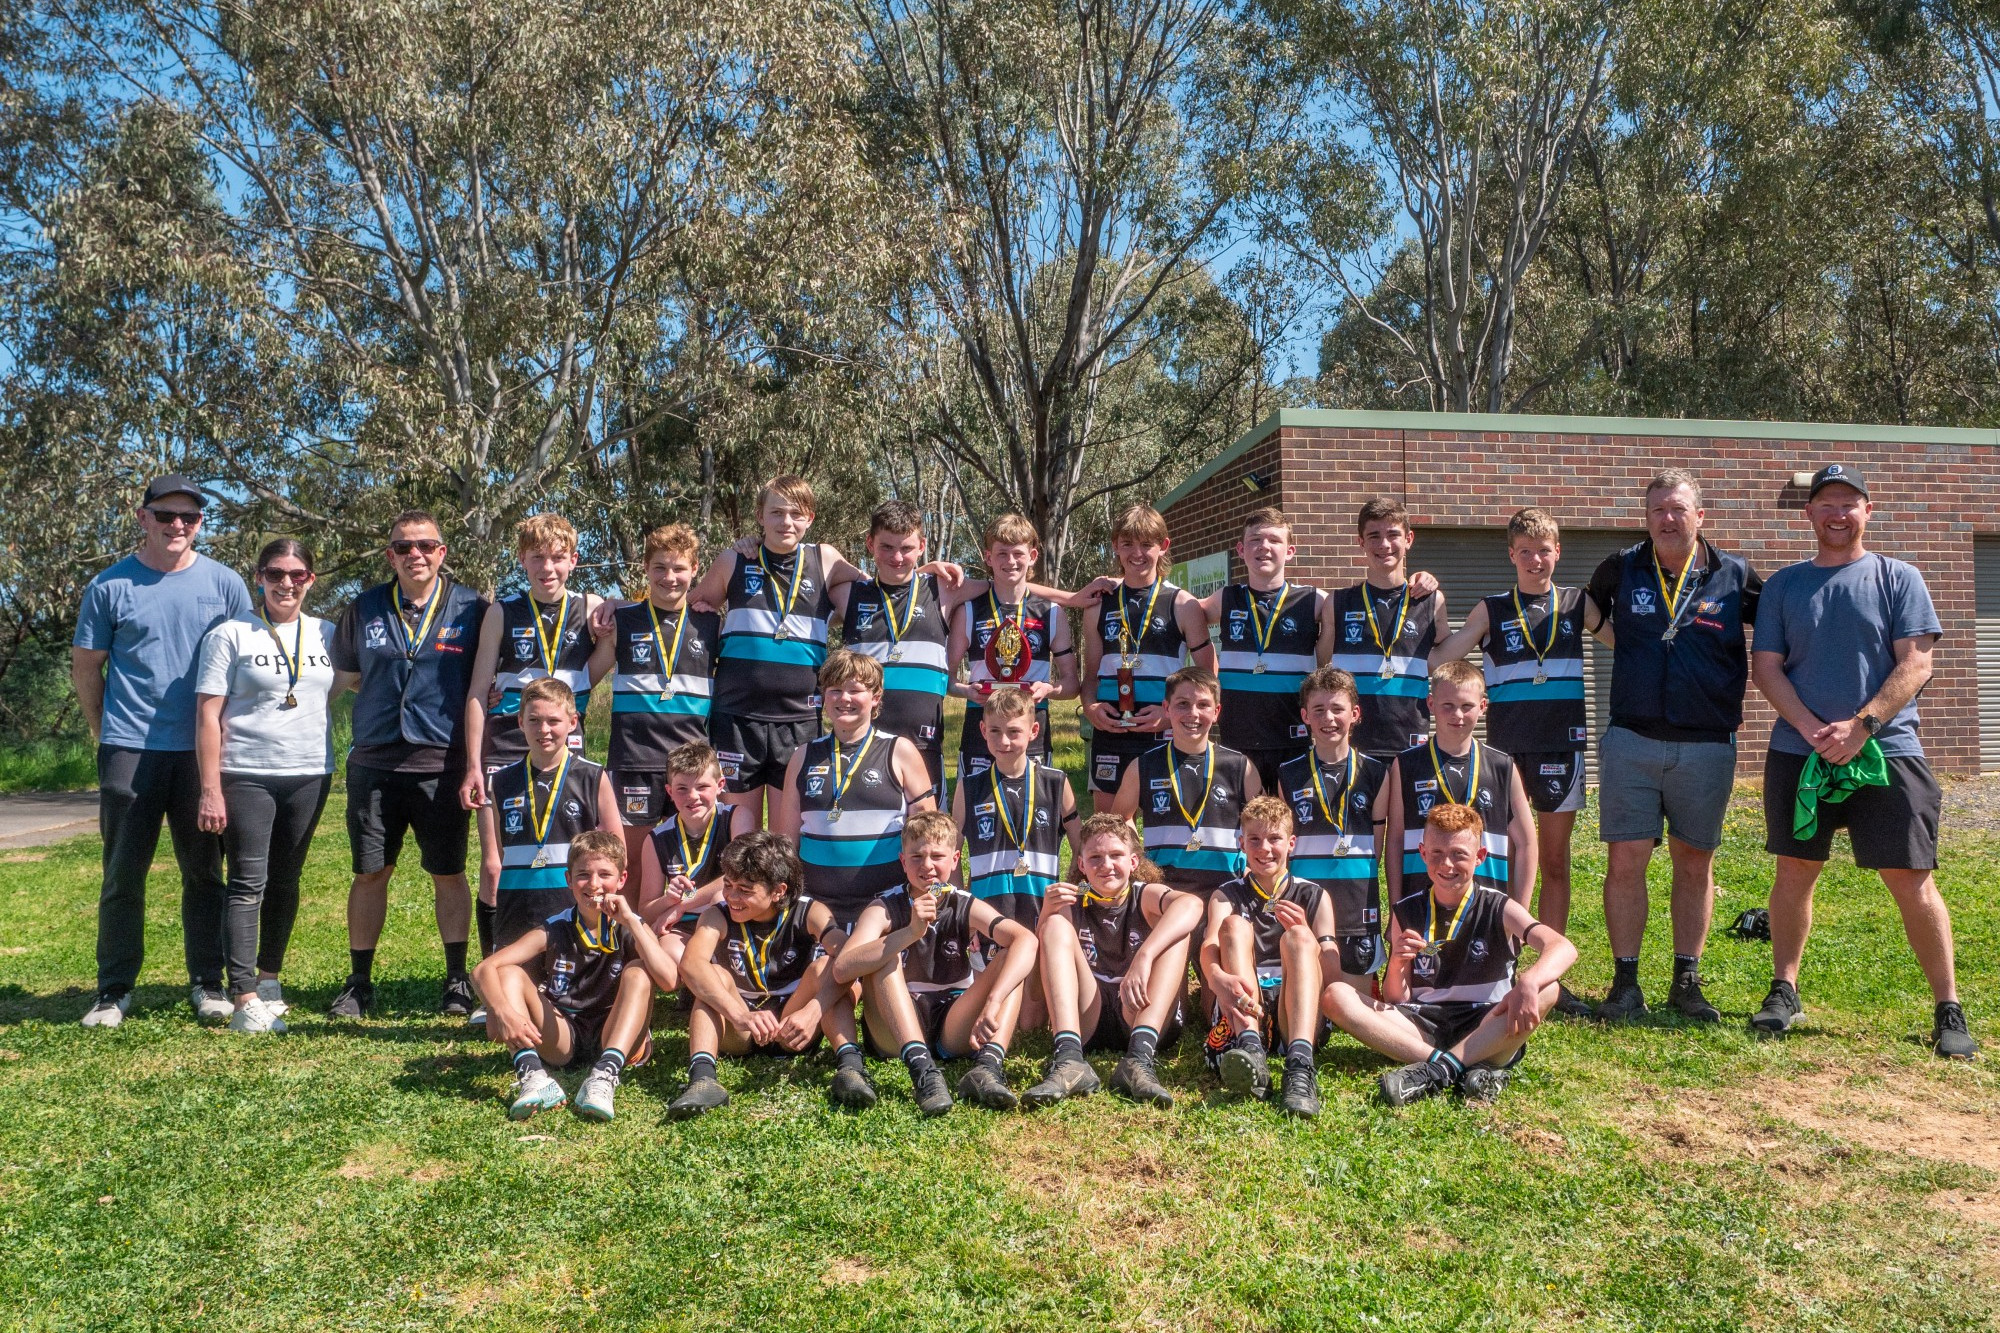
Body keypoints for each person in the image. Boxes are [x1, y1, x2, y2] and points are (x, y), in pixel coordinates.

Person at [1748, 465, 1977, 1058]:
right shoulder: (1783, 587)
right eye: (1826, 502)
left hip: (1888, 752)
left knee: (1912, 880)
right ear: (1809, 515)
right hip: (1800, 754)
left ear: (1867, 512)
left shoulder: (1898, 577)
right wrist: (1809, 727)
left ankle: (1948, 1007)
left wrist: (1861, 726)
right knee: (1795, 872)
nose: (1837, 512)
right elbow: (1767, 666)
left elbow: (1917, 663)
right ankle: (1784, 989)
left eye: (1849, 502)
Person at [74, 474, 253, 1028]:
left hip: (202, 756)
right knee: (123, 875)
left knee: (204, 873)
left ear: (200, 524)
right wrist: (105, 731)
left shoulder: (226, 584)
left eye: (190, 518)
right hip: (131, 750)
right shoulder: (109, 586)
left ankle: (207, 983)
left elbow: (246, 663)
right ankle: (114, 989)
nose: (179, 526)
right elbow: (87, 667)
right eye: (167, 515)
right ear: (143, 517)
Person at [1585, 468, 1762, 1023]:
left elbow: (1785, 631)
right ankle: (1626, 983)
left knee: (1694, 862)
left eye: (1678, 509)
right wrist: (1632, 646)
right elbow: (1585, 610)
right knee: (1626, 860)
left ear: (1700, 516)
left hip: (1707, 745)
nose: (1667, 518)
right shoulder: (1621, 567)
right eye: (1657, 509)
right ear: (1646, 517)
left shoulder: (1735, 575)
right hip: (1631, 740)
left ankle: (1686, 980)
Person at [1429, 507, 1595, 1016]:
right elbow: (1440, 658)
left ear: (1557, 552)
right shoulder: (1492, 607)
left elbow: (1628, 641)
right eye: (1525, 551)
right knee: (1504, 857)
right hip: (1507, 752)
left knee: (1555, 860)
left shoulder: (1576, 602)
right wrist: (1431, 602)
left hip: (1560, 746)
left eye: (1545, 550)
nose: (1536, 560)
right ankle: (1493, 959)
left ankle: (1550, 977)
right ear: (1512, 555)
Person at [325, 510, 489, 1019]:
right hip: (374, 760)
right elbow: (347, 674)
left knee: (449, 872)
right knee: (371, 872)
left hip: (441, 762)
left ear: (442, 553)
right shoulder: (366, 606)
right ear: (389, 555)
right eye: (402, 547)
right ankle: (358, 983)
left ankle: (457, 979)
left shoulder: (472, 609)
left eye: (425, 546)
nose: (414, 554)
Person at [194, 540, 353, 1034]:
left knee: (286, 881)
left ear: (312, 578)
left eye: (298, 574)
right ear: (258, 577)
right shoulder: (230, 634)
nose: (287, 583)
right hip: (246, 773)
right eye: (276, 573)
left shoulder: (327, 633)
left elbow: (370, 680)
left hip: (309, 772)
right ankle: (242, 997)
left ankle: (268, 981)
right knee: (248, 883)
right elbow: (207, 714)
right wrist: (210, 788)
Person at [1322, 804, 1578, 1106]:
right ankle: (1460, 1068)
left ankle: (1436, 1071)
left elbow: (1563, 947)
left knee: (1549, 988)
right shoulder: (1406, 910)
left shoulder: (1500, 906)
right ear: (1422, 853)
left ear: (1480, 857)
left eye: (1459, 854)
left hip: (1486, 1023)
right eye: (1438, 853)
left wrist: (1530, 981)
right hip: (1423, 1023)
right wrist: (1397, 965)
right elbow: (1397, 998)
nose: (1447, 864)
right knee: (1336, 994)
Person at [771, 649, 937, 1108]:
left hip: (881, 905)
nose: (846, 698)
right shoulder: (803, 756)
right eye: (835, 689)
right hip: (820, 904)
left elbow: (931, 835)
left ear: (876, 698)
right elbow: (786, 843)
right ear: (822, 697)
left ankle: (838, 1042)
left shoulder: (899, 750)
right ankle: (849, 1064)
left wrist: (940, 894)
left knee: (848, 964)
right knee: (830, 962)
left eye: (857, 690)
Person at [833, 812, 1043, 1113]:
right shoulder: (884, 907)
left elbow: (1027, 940)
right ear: (903, 862)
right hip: (895, 1025)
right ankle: (923, 1071)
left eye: (937, 856)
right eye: (916, 856)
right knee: (883, 957)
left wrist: (993, 1001)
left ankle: (988, 1066)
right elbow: (843, 968)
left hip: (952, 1022)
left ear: (955, 859)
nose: (927, 865)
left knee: (1012, 958)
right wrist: (909, 933)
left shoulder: (963, 903)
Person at [686, 476, 867, 825]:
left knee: (790, 836)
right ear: (760, 515)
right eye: (777, 513)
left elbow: (880, 589)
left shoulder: (824, 558)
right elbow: (688, 608)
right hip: (738, 718)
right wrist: (618, 607)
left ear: (810, 518)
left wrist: (928, 572)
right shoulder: (734, 560)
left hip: (798, 720)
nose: (786, 522)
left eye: (797, 514)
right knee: (741, 833)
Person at [462, 514, 605, 945]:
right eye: (537, 558)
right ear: (522, 560)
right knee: (494, 865)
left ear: (574, 560)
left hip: (566, 750)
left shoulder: (593, 608)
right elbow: (475, 692)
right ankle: (492, 969)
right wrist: (472, 765)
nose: (548, 568)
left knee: (574, 861)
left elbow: (595, 670)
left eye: (558, 558)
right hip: (505, 745)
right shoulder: (502, 612)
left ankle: (576, 958)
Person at [474, 830, 665, 1123]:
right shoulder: (554, 928)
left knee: (639, 971)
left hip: (616, 1033)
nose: (594, 884)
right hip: (564, 1034)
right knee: (509, 972)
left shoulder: (630, 926)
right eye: (583, 874)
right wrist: (502, 1013)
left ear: (622, 880)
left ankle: (604, 1076)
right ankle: (533, 1076)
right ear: (568, 879)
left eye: (605, 874)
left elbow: (669, 980)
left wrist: (631, 921)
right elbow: (483, 970)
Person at [1026, 816, 1205, 1109]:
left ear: (1134, 862)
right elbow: (1033, 995)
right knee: (1055, 926)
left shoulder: (1144, 895)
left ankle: (1138, 1060)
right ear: (1081, 865)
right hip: (1090, 1017)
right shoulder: (1072, 902)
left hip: (1138, 1010)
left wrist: (1144, 957)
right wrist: (1046, 916)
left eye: (1116, 855)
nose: (1106, 865)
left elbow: (1192, 904)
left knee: (1176, 932)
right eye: (1095, 857)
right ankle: (1069, 1059)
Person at [667, 831, 842, 1119]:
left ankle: (849, 1065)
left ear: (778, 891)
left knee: (825, 967)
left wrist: (813, 1011)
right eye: (728, 885)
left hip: (792, 1022)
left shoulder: (810, 911)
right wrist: (739, 1016)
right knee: (712, 975)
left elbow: (847, 960)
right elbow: (690, 965)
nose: (732, 897)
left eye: (745, 890)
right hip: (741, 1027)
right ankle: (703, 1079)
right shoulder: (717, 914)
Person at [1197, 796, 1336, 1117]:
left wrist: (1310, 940)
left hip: (1297, 1013)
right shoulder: (1226, 893)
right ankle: (1250, 1051)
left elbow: (1333, 976)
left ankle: (1300, 1070)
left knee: (1300, 936)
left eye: (1274, 839)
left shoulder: (1314, 894)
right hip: (1246, 1006)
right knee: (1232, 925)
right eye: (1255, 839)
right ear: (1241, 843)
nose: (1264, 849)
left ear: (1291, 843)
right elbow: (1208, 948)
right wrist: (1218, 980)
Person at [594, 523, 719, 872]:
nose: (670, 577)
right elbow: (585, 678)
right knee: (631, 867)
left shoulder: (711, 624)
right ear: (646, 569)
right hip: (635, 760)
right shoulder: (622, 619)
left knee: (697, 865)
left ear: (694, 570)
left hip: (691, 765)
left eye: (679, 568)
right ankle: (630, 929)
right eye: (660, 567)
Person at [1080, 503, 1213, 811]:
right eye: (1127, 544)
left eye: (1146, 544)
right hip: (1111, 728)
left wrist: (1171, 715)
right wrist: (1091, 708)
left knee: (1169, 822)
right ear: (1115, 546)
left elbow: (1208, 676)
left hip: (1165, 728)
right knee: (1111, 824)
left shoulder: (1183, 603)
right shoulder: (1098, 605)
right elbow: (1090, 675)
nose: (1136, 553)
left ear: (1163, 546)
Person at [477, 678, 622, 951]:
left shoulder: (592, 777)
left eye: (553, 721)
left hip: (574, 904)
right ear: (520, 722)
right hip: (518, 906)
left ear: (572, 721)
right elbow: (503, 850)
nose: (544, 730)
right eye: (534, 720)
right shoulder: (503, 781)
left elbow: (617, 850)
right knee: (511, 985)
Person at [1382, 661, 1537, 910]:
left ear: (1483, 706)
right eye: (1448, 706)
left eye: (1467, 706)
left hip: (1488, 908)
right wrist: (1396, 907)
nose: (1457, 715)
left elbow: (1527, 842)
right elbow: (1396, 840)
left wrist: (1521, 912)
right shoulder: (1407, 764)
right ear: (1431, 704)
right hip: (1420, 905)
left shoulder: (1502, 766)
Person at [1278, 669, 1391, 984]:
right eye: (1318, 710)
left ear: (1355, 714)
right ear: (1305, 716)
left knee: (1354, 1006)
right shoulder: (1288, 774)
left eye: (1337, 709)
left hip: (1357, 908)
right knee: (1311, 994)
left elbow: (1377, 849)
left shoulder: (1377, 773)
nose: (1328, 718)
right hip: (1306, 904)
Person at [948, 513, 1080, 778]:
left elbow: (1072, 684)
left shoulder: (1051, 613)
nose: (1010, 561)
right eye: (1002, 554)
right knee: (975, 813)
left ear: (1032, 556)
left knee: (1035, 810)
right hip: (981, 727)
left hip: (1032, 729)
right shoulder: (969, 611)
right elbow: (946, 678)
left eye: (1018, 554)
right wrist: (967, 691)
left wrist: (1050, 689)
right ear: (988, 557)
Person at [838, 501, 955, 798]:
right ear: (870, 544)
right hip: (862, 741)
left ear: (921, 546)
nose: (897, 557)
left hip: (924, 742)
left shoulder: (942, 590)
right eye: (887, 547)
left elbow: (1006, 585)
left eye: (906, 548)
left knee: (926, 834)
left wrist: (1071, 599)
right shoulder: (848, 593)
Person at [1113, 665, 1261, 897]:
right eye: (1182, 704)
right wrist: (1140, 858)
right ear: (1166, 708)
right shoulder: (1142, 766)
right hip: (1164, 890)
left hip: (1227, 891)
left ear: (1216, 711)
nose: (1193, 713)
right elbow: (1120, 819)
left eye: (1203, 705)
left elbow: (1263, 825)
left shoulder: (1241, 766)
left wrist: (1251, 868)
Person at [1206, 508, 1326, 793]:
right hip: (1239, 739)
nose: (1264, 547)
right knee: (1244, 829)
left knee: (1291, 827)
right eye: (1255, 540)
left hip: (1293, 739)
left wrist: (1415, 582)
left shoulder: (1315, 600)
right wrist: (1124, 584)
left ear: (1290, 551)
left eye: (1274, 540)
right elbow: (1175, 608)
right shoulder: (1226, 599)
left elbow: (1368, 606)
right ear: (1241, 550)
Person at [1320, 497, 1448, 761]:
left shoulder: (1432, 601)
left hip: (1411, 741)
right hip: (1352, 744)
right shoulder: (1337, 602)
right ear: (1361, 542)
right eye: (1374, 536)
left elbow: (1444, 663)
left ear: (1409, 539)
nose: (1384, 544)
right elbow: (1319, 662)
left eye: (1393, 535)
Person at [634, 742, 754, 986]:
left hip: (731, 918)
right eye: (682, 789)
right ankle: (698, 980)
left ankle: (711, 974)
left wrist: (683, 903)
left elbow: (741, 875)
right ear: (669, 791)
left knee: (721, 896)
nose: (692, 796)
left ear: (720, 786)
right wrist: (669, 899)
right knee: (670, 955)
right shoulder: (657, 839)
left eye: (702, 787)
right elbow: (646, 909)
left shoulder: (737, 817)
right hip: (684, 925)